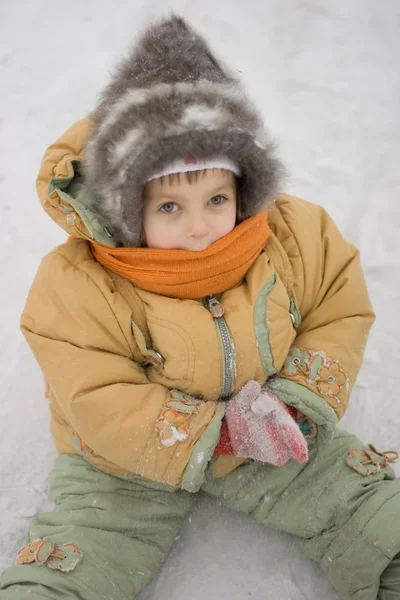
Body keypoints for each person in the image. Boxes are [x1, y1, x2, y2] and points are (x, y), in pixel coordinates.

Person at [1, 14, 399, 600]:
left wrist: (297, 401)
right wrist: (212, 435)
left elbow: (337, 306)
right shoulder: (77, 285)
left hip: (272, 430)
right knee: (82, 557)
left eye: (216, 198)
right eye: (169, 208)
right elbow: (96, 392)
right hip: (129, 463)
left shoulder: (293, 235)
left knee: (370, 514)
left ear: (245, 189)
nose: (199, 228)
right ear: (127, 208)